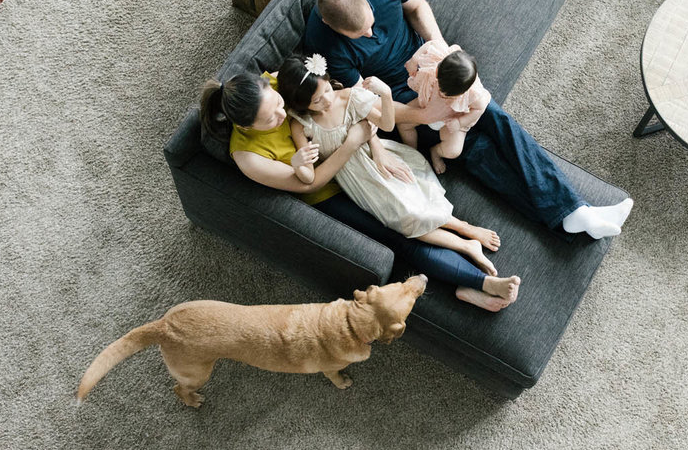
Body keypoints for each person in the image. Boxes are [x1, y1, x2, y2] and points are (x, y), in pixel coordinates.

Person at [303, 0, 633, 239]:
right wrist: (424, 116)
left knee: (495, 117)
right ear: (332, 27)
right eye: (361, 35)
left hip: (432, 67)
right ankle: (568, 220)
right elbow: (370, 107)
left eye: (371, 23)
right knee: (476, 150)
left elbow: (417, 7)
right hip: (405, 102)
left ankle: (575, 211)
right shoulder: (324, 43)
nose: (372, 34)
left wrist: (443, 54)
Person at [199, 67, 521, 312]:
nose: (283, 116)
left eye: (281, 105)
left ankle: (465, 234)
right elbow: (310, 182)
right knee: (400, 236)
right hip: (330, 193)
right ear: (245, 126)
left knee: (416, 196)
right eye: (271, 119)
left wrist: (374, 144)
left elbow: (344, 110)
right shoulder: (248, 157)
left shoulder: (272, 81)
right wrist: (351, 143)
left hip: (361, 160)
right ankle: (480, 283)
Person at [277, 54, 506, 278]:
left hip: (379, 160)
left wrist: (385, 94)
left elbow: (386, 124)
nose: (327, 101)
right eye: (317, 101)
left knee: (418, 204)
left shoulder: (348, 97)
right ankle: (466, 244)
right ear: (302, 103)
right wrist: (298, 162)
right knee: (406, 221)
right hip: (358, 182)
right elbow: (308, 178)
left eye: (326, 90)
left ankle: (464, 229)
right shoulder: (301, 123)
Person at [397, 40, 491, 174]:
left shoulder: (473, 93)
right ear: (437, 71)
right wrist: (414, 59)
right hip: (428, 102)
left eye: (450, 96)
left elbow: (479, 108)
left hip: (453, 118)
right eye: (442, 90)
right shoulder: (440, 56)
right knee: (403, 123)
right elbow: (431, 43)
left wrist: (460, 122)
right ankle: (411, 151)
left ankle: (436, 152)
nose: (443, 96)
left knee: (453, 151)